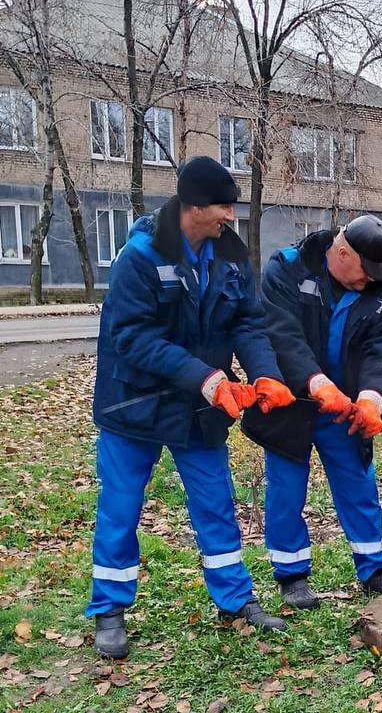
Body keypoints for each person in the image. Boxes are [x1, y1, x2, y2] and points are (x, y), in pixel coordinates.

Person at [86, 155, 296, 658]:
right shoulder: (140, 257)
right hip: (134, 405)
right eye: (223, 206)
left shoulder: (229, 254)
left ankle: (235, 600)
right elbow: (133, 338)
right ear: (193, 206)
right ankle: (110, 610)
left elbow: (248, 321)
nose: (230, 215)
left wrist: (264, 372)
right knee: (120, 507)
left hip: (200, 408)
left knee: (216, 502)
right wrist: (205, 378)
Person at [241, 215, 382, 608]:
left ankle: (375, 568)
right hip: (290, 403)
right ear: (344, 252)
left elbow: (378, 349)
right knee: (285, 489)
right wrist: (317, 383)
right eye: (364, 271)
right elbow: (282, 335)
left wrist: (372, 398)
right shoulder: (287, 268)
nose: (370, 279)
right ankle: (292, 576)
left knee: (358, 483)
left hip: (343, 409)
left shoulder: (376, 290)